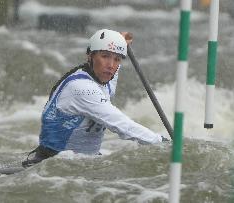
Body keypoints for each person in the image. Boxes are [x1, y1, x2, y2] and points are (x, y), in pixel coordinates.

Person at [22, 29, 168, 167]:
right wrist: (163, 143)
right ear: (90, 56)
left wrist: (121, 41)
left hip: (83, 160)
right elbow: (123, 126)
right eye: (104, 56)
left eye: (117, 59)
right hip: (54, 163)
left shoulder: (104, 75)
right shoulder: (82, 88)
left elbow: (112, 67)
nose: (111, 65)